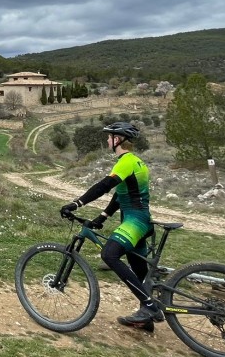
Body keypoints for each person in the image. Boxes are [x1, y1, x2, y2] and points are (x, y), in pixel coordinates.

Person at [59, 121, 160, 331]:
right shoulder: (137, 162)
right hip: (142, 222)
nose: (107, 140)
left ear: (118, 139)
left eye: (109, 137)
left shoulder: (125, 161)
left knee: (109, 255)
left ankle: (149, 306)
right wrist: (103, 216)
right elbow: (121, 194)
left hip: (135, 222)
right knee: (139, 272)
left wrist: (76, 203)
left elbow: (105, 186)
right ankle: (146, 318)